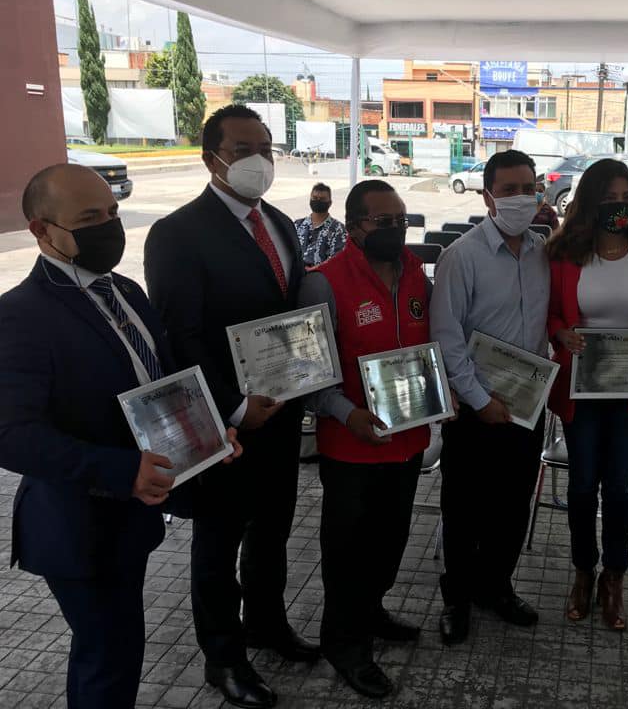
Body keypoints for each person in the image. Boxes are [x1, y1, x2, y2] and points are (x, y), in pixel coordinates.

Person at [0, 164, 241, 709]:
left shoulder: (125, 290)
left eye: (112, 212)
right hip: (76, 526)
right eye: (89, 218)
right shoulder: (19, 316)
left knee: (120, 644)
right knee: (108, 656)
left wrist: (211, 430)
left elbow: (163, 381)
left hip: (130, 520)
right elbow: (11, 435)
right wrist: (121, 470)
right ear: (41, 230)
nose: (109, 227)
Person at [144, 105, 316, 709]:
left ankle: (268, 625)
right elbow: (179, 336)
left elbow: (291, 315)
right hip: (228, 425)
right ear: (210, 158)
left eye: (266, 148)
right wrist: (235, 408)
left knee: (272, 530)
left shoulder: (281, 223)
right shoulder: (177, 233)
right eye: (244, 150)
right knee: (217, 543)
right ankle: (223, 657)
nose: (259, 161)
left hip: (283, 411)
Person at [298, 181, 431, 700]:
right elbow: (308, 373)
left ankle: (371, 611)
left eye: (401, 220)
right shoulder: (324, 283)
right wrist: (345, 413)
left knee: (391, 540)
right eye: (382, 221)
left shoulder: (416, 273)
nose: (395, 229)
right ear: (353, 228)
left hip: (408, 439)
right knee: (348, 551)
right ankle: (345, 644)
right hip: (351, 445)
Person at [546, 159, 628, 630]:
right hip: (580, 390)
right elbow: (549, 313)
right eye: (608, 199)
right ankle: (583, 570)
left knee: (619, 487)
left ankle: (614, 575)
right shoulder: (564, 253)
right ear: (589, 202)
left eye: (626, 199)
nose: (618, 207)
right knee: (582, 486)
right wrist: (561, 334)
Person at [430, 149, 551, 646]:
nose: (521, 198)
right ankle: (457, 597)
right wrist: (480, 400)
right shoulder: (462, 256)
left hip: (527, 406)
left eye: (529, 189)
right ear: (487, 197)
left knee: (514, 506)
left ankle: (496, 586)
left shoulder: (544, 252)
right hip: (474, 409)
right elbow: (446, 337)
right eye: (509, 190)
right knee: (464, 508)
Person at [294, 182, 347, 267]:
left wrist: (314, 269)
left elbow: (337, 260)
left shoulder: (338, 229)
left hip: (321, 274)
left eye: (322, 199)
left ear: (330, 203)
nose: (318, 201)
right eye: (315, 198)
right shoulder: (297, 225)